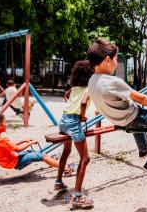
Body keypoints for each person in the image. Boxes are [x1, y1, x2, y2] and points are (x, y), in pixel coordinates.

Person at [87, 38, 147, 181]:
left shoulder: (91, 80)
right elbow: (141, 98)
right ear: (108, 60)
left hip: (117, 120)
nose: (116, 62)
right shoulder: (112, 81)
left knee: (132, 108)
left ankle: (144, 148)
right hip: (132, 117)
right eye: (116, 58)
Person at [55, 60, 94, 207]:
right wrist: (82, 115)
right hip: (74, 122)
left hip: (64, 120)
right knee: (85, 158)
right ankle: (77, 195)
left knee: (66, 150)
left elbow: (66, 95)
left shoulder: (75, 87)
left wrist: (71, 107)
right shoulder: (89, 89)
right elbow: (84, 103)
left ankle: (58, 182)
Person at [0, 114, 74, 173]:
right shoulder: (2, 139)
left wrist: (25, 140)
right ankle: (67, 169)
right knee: (43, 156)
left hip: (7, 160)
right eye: (5, 122)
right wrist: (31, 142)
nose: (6, 124)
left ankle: (52, 161)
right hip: (12, 162)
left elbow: (11, 146)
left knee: (30, 152)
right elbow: (17, 149)